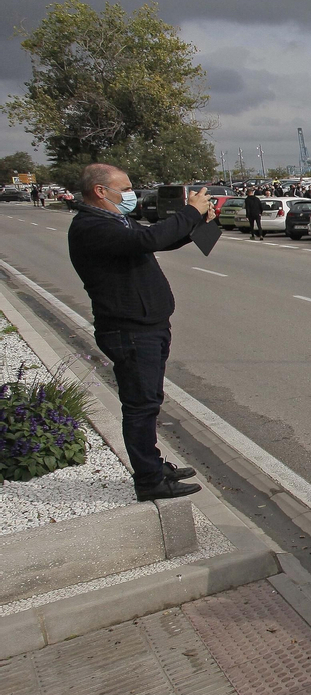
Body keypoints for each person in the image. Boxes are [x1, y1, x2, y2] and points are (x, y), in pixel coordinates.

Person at [67, 163, 210, 501]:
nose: (131, 193)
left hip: (146, 326)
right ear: (101, 191)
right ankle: (149, 480)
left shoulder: (113, 219)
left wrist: (198, 225)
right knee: (140, 406)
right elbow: (149, 238)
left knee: (148, 402)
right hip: (129, 331)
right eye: (125, 187)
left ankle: (153, 464)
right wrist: (189, 211)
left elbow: (153, 241)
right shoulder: (91, 226)